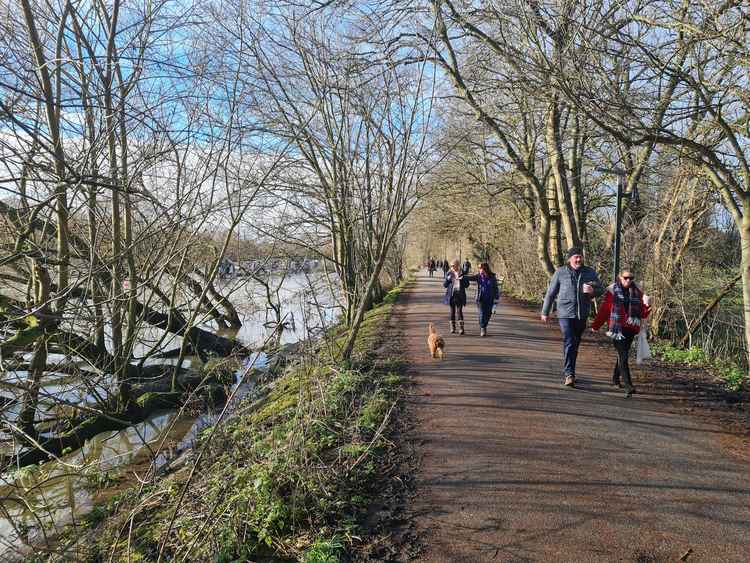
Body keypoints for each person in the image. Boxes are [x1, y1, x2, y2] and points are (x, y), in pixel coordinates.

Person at [541, 247, 604, 388]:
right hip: (565, 313)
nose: (578, 259)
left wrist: (593, 291)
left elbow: (601, 289)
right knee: (569, 340)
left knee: (574, 344)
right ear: (570, 259)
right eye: (575, 257)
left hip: (582, 314)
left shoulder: (589, 272)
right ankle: (569, 374)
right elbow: (551, 293)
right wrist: (545, 312)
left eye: (580, 257)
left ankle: (570, 370)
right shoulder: (561, 272)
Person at [592, 270, 651, 397]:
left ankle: (615, 378)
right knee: (623, 356)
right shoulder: (612, 292)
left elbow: (643, 314)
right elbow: (605, 310)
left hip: (630, 328)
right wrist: (596, 326)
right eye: (626, 278)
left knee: (622, 355)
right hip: (616, 329)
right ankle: (629, 386)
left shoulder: (637, 292)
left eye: (631, 278)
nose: (628, 280)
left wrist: (647, 305)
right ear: (620, 278)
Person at [467, 262, 500, 337]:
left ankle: (483, 324)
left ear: (485, 268)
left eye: (480, 268)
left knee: (488, 314)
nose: (479, 269)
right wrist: (462, 276)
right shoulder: (479, 276)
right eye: (479, 268)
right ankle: (483, 328)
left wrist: (496, 298)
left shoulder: (492, 277)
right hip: (480, 298)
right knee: (482, 313)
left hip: (490, 298)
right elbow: (470, 278)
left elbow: (495, 288)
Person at [443, 259, 469, 334]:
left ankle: (461, 328)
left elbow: (467, 285)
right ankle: (453, 328)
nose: (452, 267)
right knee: (452, 312)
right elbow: (445, 285)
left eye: (453, 265)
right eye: (451, 266)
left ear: (457, 265)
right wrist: (447, 280)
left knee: (459, 311)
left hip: (460, 295)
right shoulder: (449, 273)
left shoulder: (462, 273)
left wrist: (463, 279)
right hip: (452, 295)